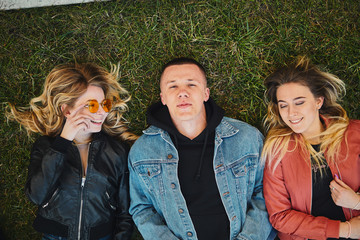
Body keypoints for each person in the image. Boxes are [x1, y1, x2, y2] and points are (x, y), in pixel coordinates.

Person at [128, 57, 274, 239]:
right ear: (163, 98)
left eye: (191, 84)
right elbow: (142, 209)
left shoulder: (246, 138)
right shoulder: (143, 151)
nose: (182, 93)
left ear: (206, 94)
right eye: (173, 86)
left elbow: (267, 193)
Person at [6, 63, 134, 240]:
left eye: (104, 104)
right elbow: (36, 195)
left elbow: (125, 211)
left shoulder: (117, 151)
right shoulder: (46, 146)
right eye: (91, 105)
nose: (101, 113)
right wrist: (63, 142)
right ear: (66, 109)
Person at [262, 56, 360, 240]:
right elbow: (279, 216)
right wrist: (346, 230)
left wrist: (356, 202)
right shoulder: (277, 149)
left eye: (299, 102)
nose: (291, 113)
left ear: (318, 101)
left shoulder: (355, 133)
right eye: (283, 105)